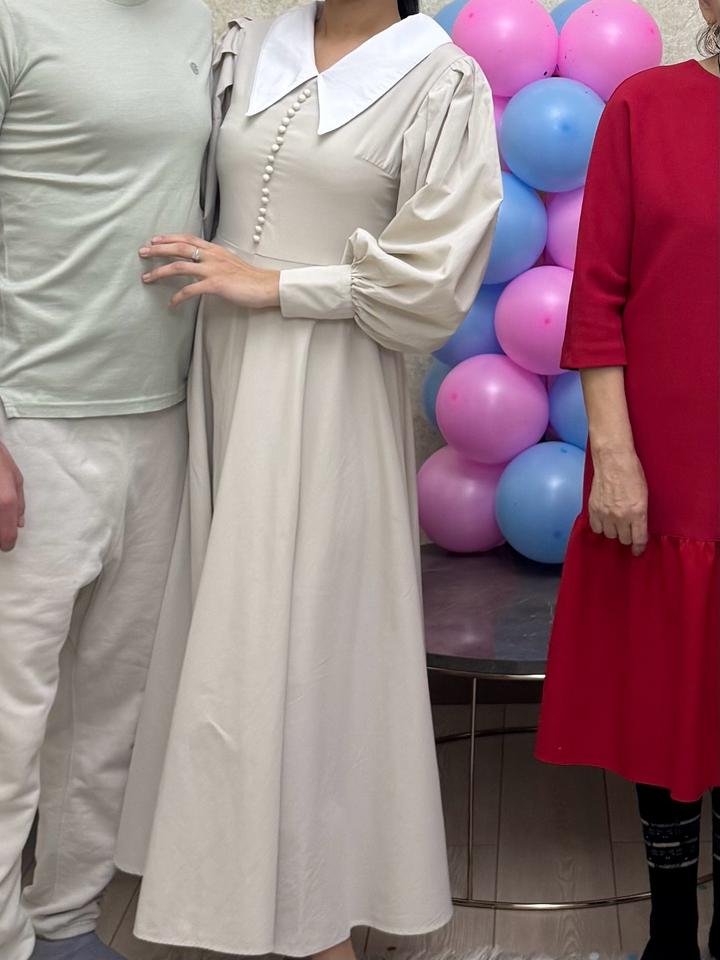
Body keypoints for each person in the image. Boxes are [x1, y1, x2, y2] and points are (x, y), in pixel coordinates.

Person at [112, 1, 502, 958]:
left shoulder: (443, 79)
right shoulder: (246, 47)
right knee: (229, 624)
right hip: (220, 373)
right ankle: (226, 891)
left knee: (320, 633)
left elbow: (433, 284)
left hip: (331, 389)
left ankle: (319, 916)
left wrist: (279, 284)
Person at [0, 1, 213, 958]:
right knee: (9, 717)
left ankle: (65, 919)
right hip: (32, 415)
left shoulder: (193, 20)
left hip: (160, 414)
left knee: (108, 709)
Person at [536, 3, 720, 958]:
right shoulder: (645, 107)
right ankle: (669, 928)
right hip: (673, 457)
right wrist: (613, 453)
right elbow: (597, 291)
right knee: (667, 687)